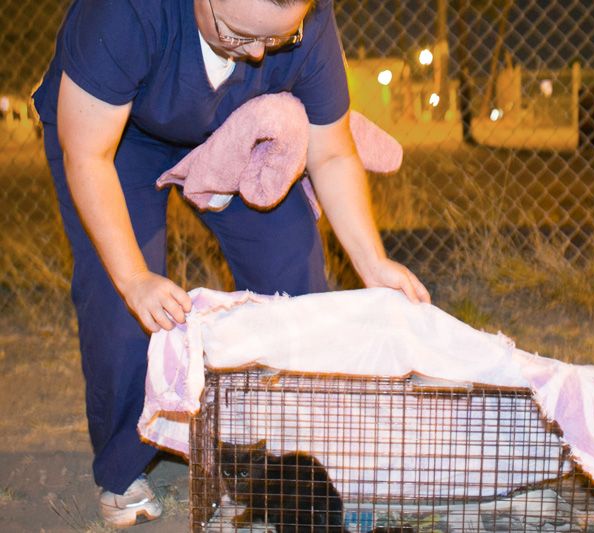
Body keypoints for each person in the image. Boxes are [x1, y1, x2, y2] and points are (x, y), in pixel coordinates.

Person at [33, 0, 430, 527]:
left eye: (278, 40)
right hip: (113, 135)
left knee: (292, 274)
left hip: (235, 125)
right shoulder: (126, 12)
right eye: (240, 35)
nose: (261, 53)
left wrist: (372, 261)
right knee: (127, 306)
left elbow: (331, 152)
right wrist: (134, 278)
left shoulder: (304, 24)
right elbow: (87, 153)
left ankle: (273, 453)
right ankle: (124, 466)